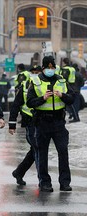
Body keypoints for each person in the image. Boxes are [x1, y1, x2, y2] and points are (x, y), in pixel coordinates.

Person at [26, 56, 75, 192]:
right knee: (42, 154)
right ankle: (44, 182)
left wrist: (62, 96)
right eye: (48, 67)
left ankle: (65, 182)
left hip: (59, 122)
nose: (50, 70)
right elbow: (29, 102)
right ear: (43, 68)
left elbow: (72, 98)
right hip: (42, 122)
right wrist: (43, 98)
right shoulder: (35, 82)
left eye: (52, 67)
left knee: (63, 151)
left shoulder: (61, 81)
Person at [9, 66, 41, 185]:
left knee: (36, 150)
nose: (35, 74)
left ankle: (19, 172)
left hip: (43, 122)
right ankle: (42, 179)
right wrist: (12, 124)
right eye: (33, 72)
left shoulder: (46, 83)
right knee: (37, 148)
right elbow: (16, 105)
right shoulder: (24, 85)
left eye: (37, 72)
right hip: (29, 121)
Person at [60, 58, 78, 122]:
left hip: (68, 86)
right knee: (71, 103)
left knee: (69, 103)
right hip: (73, 86)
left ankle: (75, 117)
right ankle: (73, 116)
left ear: (64, 62)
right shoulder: (72, 68)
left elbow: (64, 79)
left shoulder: (65, 69)